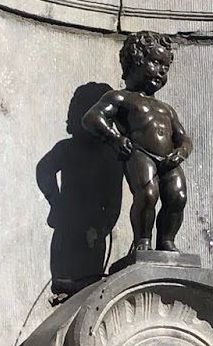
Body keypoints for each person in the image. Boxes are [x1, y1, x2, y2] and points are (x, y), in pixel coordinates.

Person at [82, 32, 192, 254]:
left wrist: (181, 152)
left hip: (169, 159)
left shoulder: (166, 109)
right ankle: (143, 240)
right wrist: (114, 138)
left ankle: (167, 241)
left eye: (165, 67)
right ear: (136, 61)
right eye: (155, 63)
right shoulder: (121, 98)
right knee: (148, 194)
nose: (161, 71)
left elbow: (183, 137)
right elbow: (92, 118)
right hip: (140, 154)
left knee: (177, 198)